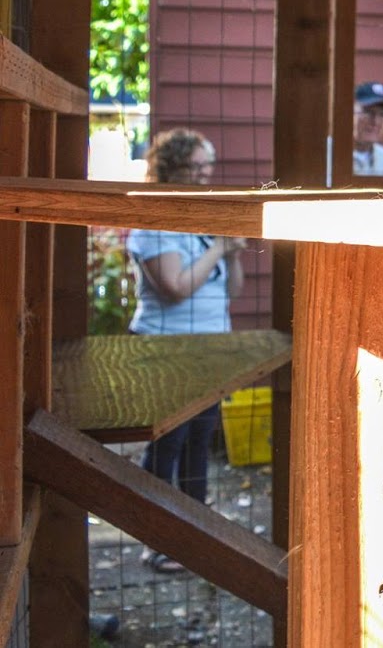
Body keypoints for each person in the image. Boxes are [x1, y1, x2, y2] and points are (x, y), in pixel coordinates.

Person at [125, 128, 249, 574]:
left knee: (200, 440)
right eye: (193, 168)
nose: (202, 176)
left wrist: (231, 253)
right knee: (167, 444)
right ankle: (157, 541)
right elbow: (176, 288)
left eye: (206, 167)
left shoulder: (203, 220)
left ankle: (194, 532)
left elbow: (231, 291)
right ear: (168, 171)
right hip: (167, 349)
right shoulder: (154, 221)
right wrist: (218, 246)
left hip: (208, 348)